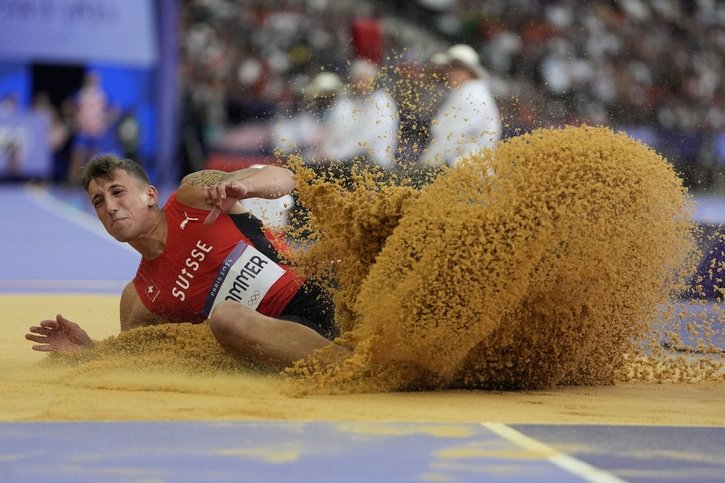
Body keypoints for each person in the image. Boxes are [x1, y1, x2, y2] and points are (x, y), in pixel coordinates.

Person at [25, 154, 342, 371]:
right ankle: (354, 366)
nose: (110, 207)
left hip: (326, 293)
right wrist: (89, 353)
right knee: (226, 319)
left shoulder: (193, 195)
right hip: (283, 340)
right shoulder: (138, 300)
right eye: (98, 201)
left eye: (117, 192)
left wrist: (247, 187)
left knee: (343, 255)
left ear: (150, 195)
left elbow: (283, 176)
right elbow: (136, 358)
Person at [419, 44, 502, 168]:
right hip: (467, 169)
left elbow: (449, 137)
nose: (447, 73)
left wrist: (424, 166)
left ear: (465, 70)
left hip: (464, 172)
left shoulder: (470, 96)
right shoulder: (472, 92)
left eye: (452, 69)